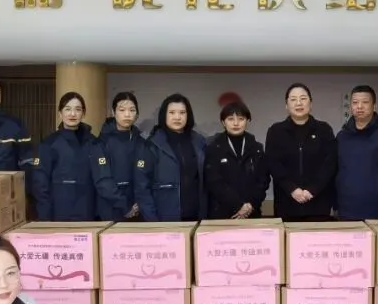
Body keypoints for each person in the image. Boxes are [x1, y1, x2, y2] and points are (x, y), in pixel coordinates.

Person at [31, 92, 123, 222]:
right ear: (60, 113)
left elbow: (103, 180)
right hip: (59, 214)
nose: (72, 114)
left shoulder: (94, 143)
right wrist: (44, 217)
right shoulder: (49, 144)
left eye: (78, 109)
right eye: (67, 109)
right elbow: (40, 185)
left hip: (88, 212)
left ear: (83, 114)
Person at [264, 83, 337, 221]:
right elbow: (273, 163)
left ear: (311, 103)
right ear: (286, 105)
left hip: (318, 203)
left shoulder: (324, 129)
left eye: (303, 98)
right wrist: (292, 189)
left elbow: (330, 163)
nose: (298, 103)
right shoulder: (276, 131)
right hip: (287, 203)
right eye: (293, 99)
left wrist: (312, 189)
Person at [334, 85, 378, 220]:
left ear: (374, 106)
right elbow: (336, 172)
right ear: (351, 106)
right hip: (345, 212)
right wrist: (335, 206)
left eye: (365, 102)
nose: (359, 106)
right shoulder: (342, 137)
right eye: (355, 102)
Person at [135, 93, 208, 221]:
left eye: (182, 112)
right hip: (165, 218)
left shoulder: (199, 141)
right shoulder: (152, 145)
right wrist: (152, 220)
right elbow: (142, 186)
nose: (177, 117)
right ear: (164, 115)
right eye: (172, 112)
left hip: (197, 216)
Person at [204, 100, 269, 219]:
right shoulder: (213, 148)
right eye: (230, 119)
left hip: (251, 212)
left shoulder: (257, 148)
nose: (236, 123)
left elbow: (263, 180)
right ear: (223, 122)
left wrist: (250, 205)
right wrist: (238, 205)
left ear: (247, 121)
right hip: (222, 213)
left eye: (241, 119)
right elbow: (214, 181)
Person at [98, 92, 147, 220]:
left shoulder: (142, 143)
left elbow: (146, 178)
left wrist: (140, 203)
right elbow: (103, 181)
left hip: (140, 208)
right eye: (122, 110)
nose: (127, 114)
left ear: (137, 114)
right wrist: (125, 206)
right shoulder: (101, 142)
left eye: (132, 110)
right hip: (110, 209)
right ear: (113, 112)